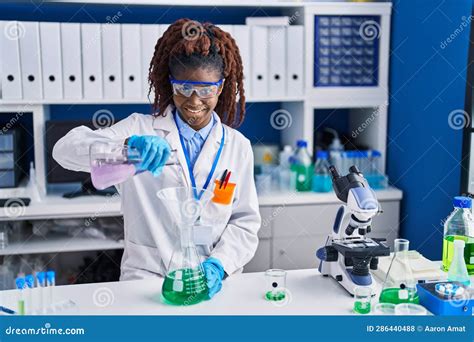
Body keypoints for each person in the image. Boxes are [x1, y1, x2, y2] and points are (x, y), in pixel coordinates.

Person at [53, 18, 261, 299]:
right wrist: (127, 148)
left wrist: (218, 266)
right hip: (146, 281)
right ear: (170, 83)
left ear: (221, 87)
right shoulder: (139, 129)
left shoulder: (238, 146)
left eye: (206, 90)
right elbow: (65, 150)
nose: (194, 101)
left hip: (215, 285)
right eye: (183, 88)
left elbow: (245, 223)